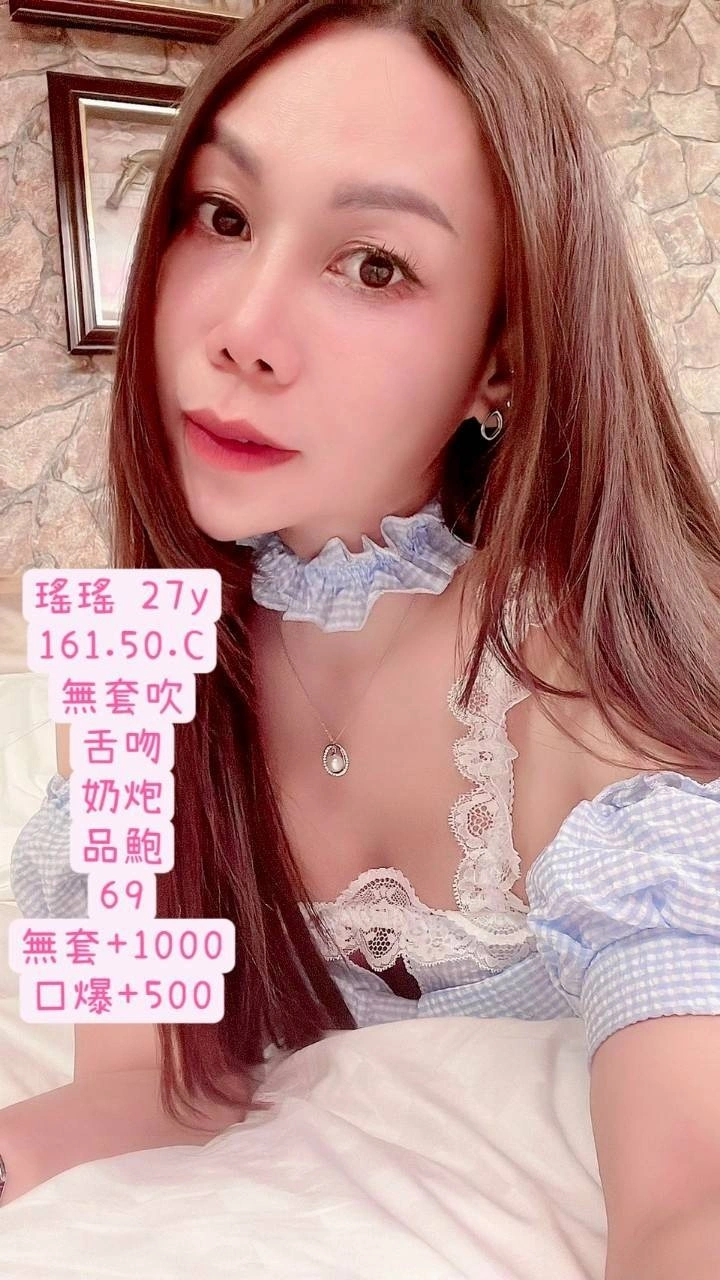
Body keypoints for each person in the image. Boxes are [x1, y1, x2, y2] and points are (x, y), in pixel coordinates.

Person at [3, 0, 720, 1217]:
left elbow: (688, 1202)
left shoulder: (586, 684)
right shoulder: (132, 671)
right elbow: (146, 1090)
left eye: (375, 264)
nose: (242, 333)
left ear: (501, 361)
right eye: (224, 215)